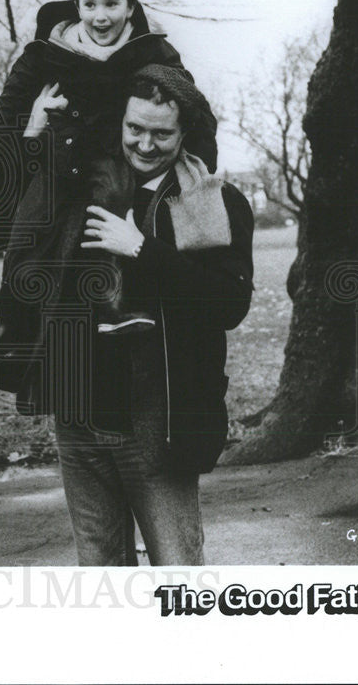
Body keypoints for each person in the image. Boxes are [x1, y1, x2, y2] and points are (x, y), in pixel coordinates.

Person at [36, 64, 253, 566]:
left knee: (177, 573)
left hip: (159, 422)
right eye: (135, 128)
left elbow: (229, 304)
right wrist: (33, 129)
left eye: (162, 133)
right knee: (100, 574)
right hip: (81, 415)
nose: (145, 144)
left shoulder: (215, 200)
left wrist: (142, 249)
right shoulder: (83, 187)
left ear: (185, 133)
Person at [0, 0, 217, 361]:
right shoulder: (47, 50)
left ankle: (111, 306)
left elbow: (190, 101)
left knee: (110, 212)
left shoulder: (151, 52)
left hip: (112, 155)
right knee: (26, 229)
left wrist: (203, 158)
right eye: (90, 4)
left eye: (111, 4)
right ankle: (9, 325)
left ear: (131, 7)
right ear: (76, 4)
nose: (100, 16)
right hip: (58, 153)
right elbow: (11, 100)